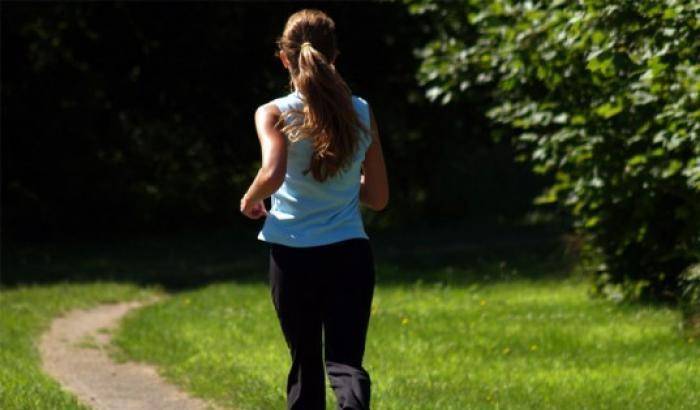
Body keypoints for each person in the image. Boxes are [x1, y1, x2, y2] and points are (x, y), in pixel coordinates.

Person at [239, 8, 389, 410]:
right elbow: (378, 197)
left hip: (293, 256)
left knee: (305, 366)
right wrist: (341, 188)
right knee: (345, 363)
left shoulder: (273, 112)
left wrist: (251, 197)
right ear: (335, 56)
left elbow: (272, 173)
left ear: (284, 58)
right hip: (350, 255)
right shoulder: (361, 110)